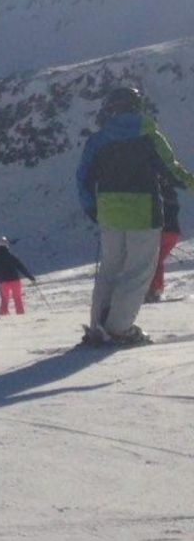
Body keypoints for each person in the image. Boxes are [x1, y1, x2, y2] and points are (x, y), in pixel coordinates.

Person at [77, 85, 192, 346]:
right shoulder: (150, 135)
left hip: (108, 212)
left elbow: (83, 177)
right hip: (143, 211)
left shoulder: (98, 140)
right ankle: (119, 328)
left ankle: (98, 326)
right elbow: (172, 171)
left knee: (110, 269)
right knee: (138, 271)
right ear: (137, 106)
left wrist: (92, 207)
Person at [148, 172, 180, 304]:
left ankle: (152, 290)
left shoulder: (156, 195)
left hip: (161, 231)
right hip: (173, 232)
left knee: (153, 260)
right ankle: (156, 289)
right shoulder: (171, 194)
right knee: (157, 261)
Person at [0, 236, 35, 316]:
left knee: (4, 300)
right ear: (6, 245)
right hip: (15, 280)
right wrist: (30, 277)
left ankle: (3, 316)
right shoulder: (11, 256)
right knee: (17, 299)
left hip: (2, 282)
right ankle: (20, 315)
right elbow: (21, 267)